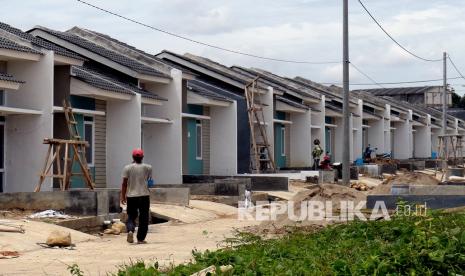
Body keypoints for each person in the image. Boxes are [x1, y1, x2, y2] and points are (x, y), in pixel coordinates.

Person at [121, 148, 152, 244]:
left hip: (131, 196)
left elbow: (124, 184)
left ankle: (130, 230)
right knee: (144, 217)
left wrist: (123, 196)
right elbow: (150, 182)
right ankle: (140, 239)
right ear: (142, 157)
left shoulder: (127, 168)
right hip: (144, 195)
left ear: (133, 157)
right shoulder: (148, 167)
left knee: (131, 215)